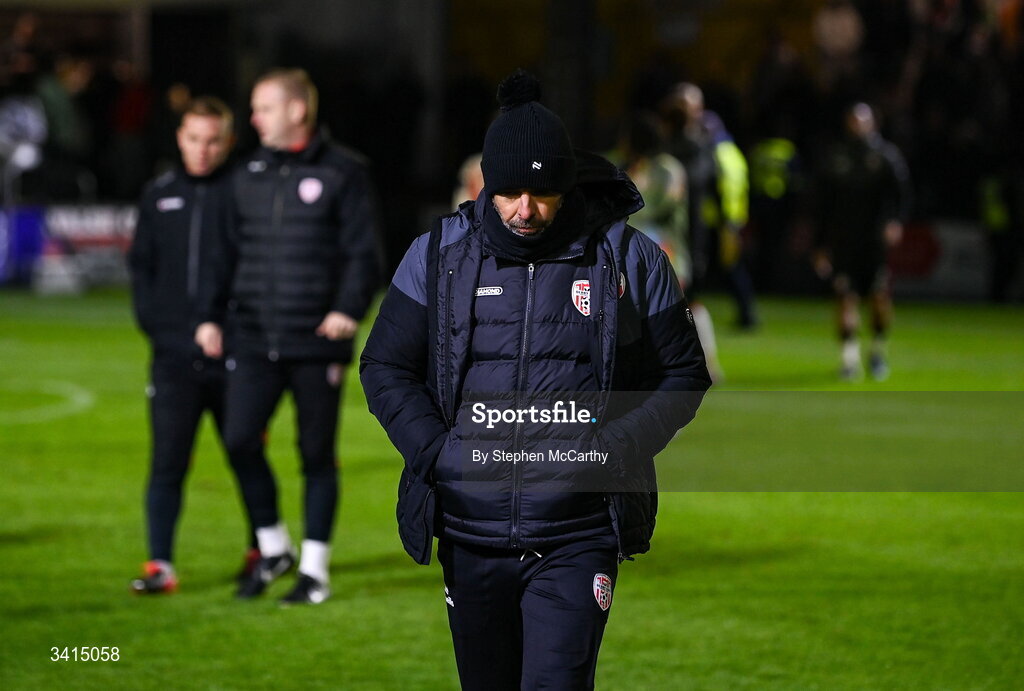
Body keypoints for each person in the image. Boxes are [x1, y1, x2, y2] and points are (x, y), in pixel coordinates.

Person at [360, 70, 711, 690]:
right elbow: (385, 366)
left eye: (543, 192)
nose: (526, 210)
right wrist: (438, 454)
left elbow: (683, 375)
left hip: (577, 535)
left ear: (567, 183)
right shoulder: (438, 254)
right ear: (488, 184)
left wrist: (613, 449)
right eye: (510, 192)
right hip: (470, 533)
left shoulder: (627, 257)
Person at [195, 68, 380, 605]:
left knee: (316, 452)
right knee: (237, 439)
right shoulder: (244, 173)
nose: (253, 118)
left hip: (316, 338)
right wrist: (210, 316)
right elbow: (222, 253)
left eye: (263, 108)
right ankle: (274, 545)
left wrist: (348, 309)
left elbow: (362, 252)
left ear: (297, 111)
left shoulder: (345, 172)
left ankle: (315, 570)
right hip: (252, 335)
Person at [128, 96, 258, 593]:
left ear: (228, 142)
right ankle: (160, 565)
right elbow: (141, 266)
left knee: (246, 453)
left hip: (233, 356)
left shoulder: (244, 193)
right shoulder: (159, 194)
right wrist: (159, 328)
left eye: (212, 140)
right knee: (167, 462)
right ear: (179, 138)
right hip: (174, 359)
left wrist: (235, 328)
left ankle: (260, 551)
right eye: (192, 139)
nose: (202, 150)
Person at [813, 102, 911, 380]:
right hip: (843, 240)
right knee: (845, 297)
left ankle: (878, 352)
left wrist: (896, 222)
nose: (857, 126)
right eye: (852, 121)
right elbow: (822, 202)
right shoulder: (836, 156)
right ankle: (849, 359)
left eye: (862, 121)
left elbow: (902, 194)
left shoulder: (885, 156)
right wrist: (820, 245)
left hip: (874, 242)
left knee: (878, 298)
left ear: (873, 123)